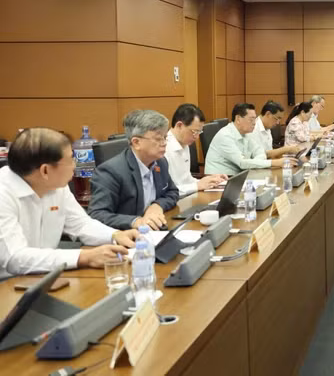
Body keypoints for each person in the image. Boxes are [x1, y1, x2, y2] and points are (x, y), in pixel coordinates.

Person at [0, 128, 139, 279]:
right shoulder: (4, 193)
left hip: (44, 276)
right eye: (71, 159)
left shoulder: (55, 185)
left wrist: (114, 235)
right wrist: (84, 257)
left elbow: (80, 225)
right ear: (45, 171)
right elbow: (15, 258)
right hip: (7, 283)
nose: (75, 165)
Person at [89, 110, 180, 231]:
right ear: (136, 142)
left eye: (165, 138)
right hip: (125, 235)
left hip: (154, 231)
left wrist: (157, 205)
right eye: (158, 139)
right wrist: (135, 221)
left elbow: (172, 192)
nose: (164, 143)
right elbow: (97, 214)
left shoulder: (160, 162)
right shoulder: (110, 172)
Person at [204, 103, 285, 176]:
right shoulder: (225, 136)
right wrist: (274, 163)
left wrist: (255, 163)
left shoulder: (246, 133)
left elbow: (260, 152)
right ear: (238, 119)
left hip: (238, 176)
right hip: (220, 180)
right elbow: (242, 163)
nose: (254, 123)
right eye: (251, 120)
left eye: (255, 119)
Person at [165, 104, 226, 196]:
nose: (197, 137)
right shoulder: (164, 149)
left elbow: (187, 180)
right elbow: (167, 192)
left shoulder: (184, 144)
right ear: (179, 125)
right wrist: (197, 185)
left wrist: (209, 180)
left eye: (199, 132)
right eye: (194, 132)